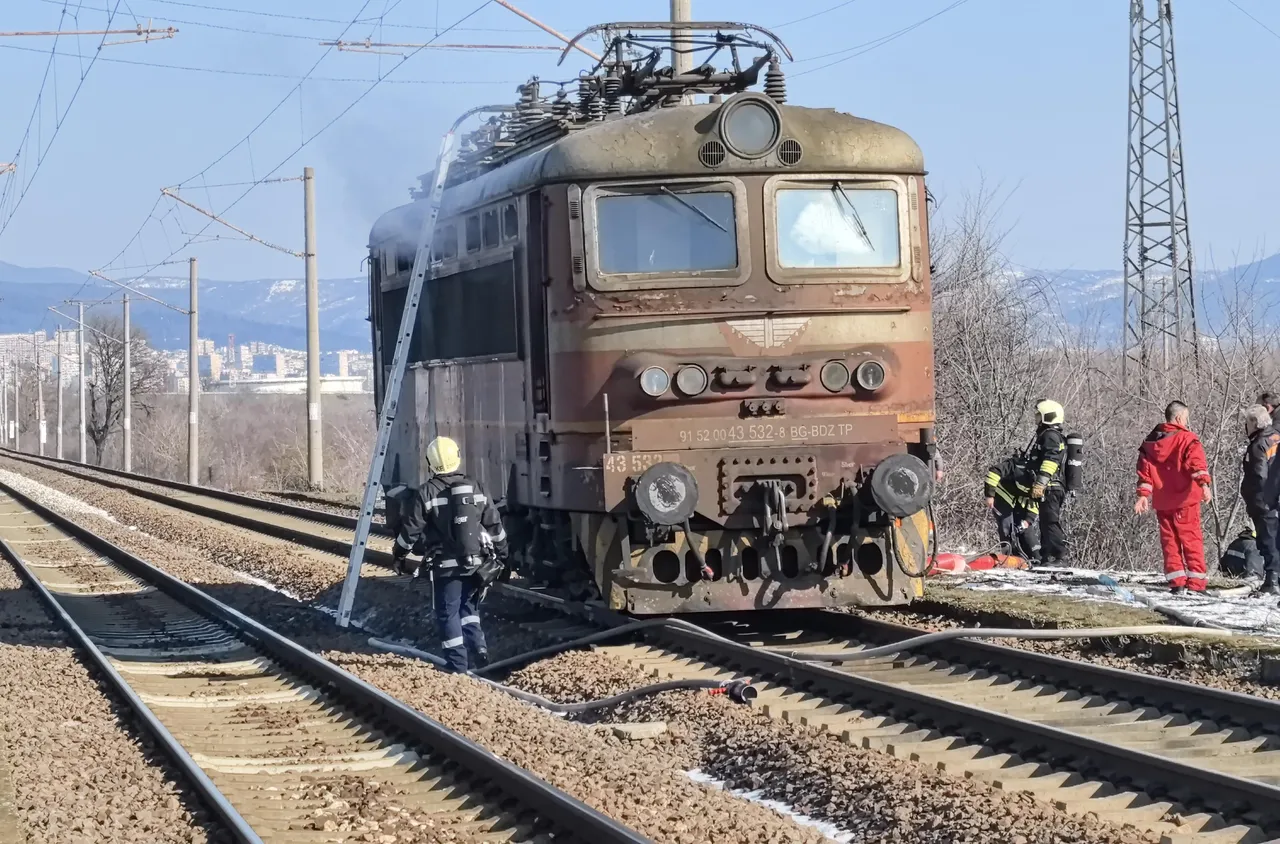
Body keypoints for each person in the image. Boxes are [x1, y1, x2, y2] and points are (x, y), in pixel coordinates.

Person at [393, 435, 509, 672]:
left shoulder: (426, 493)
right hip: (476, 564)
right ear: (457, 458)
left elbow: (410, 532)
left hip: (446, 568)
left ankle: (457, 666)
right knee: (470, 609)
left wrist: (399, 555)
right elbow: (495, 527)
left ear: (430, 463)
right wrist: (504, 555)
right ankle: (480, 651)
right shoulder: (476, 487)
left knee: (448, 613)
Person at [1134, 401, 1213, 593]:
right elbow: (1196, 464)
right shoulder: (1187, 439)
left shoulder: (1150, 442)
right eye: (1186, 418)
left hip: (1163, 502)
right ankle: (1196, 584)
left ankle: (1177, 583)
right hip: (1185, 499)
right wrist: (1204, 484)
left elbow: (1144, 474)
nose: (1187, 422)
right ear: (1179, 418)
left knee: (1170, 542)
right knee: (1191, 540)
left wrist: (1143, 496)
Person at [1240, 405, 1280, 595]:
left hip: (1264, 501)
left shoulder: (1258, 446)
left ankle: (1272, 581)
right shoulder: (1276, 437)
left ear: (1254, 423)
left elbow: (1259, 476)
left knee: (1267, 541)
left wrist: (1256, 497)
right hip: (1274, 499)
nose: (1245, 427)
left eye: (1247, 422)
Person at [1024, 399, 1068, 565]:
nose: (1036, 419)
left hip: (1051, 487)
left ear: (1047, 416)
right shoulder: (1048, 435)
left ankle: (1059, 556)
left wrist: (1040, 483)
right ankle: (1046, 556)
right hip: (1050, 487)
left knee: (1050, 521)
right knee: (1044, 521)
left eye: (1039, 415)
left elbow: (1051, 460)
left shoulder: (1050, 436)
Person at [984, 455, 1041, 562]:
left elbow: (1035, 505)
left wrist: (1028, 521)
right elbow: (993, 472)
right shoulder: (1017, 466)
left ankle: (1035, 556)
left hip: (1019, 497)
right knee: (1006, 525)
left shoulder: (1042, 483)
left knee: (1025, 528)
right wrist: (989, 495)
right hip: (1003, 492)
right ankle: (1008, 555)